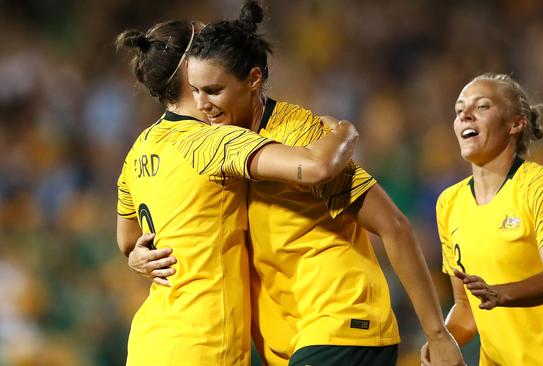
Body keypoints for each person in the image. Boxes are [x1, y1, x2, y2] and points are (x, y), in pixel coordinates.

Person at [129, 2, 464, 365]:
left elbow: (394, 225)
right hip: (295, 343)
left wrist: (437, 334)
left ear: (254, 79)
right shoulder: (221, 152)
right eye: (195, 91)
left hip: (342, 324)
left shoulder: (300, 135)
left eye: (213, 90)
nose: (202, 105)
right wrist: (138, 253)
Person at [114, 18, 359, 366]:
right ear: (190, 69)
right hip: (204, 344)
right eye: (204, 45)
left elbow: (127, 241)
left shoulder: (138, 150)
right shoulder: (217, 142)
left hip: (149, 344)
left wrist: (137, 259)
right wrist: (344, 129)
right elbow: (316, 167)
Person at [421, 73, 543, 365]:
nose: (465, 115)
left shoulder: (542, 185)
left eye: (482, 107)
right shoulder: (449, 203)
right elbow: (467, 308)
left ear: (516, 123)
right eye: (459, 110)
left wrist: (500, 294)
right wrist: (441, 340)